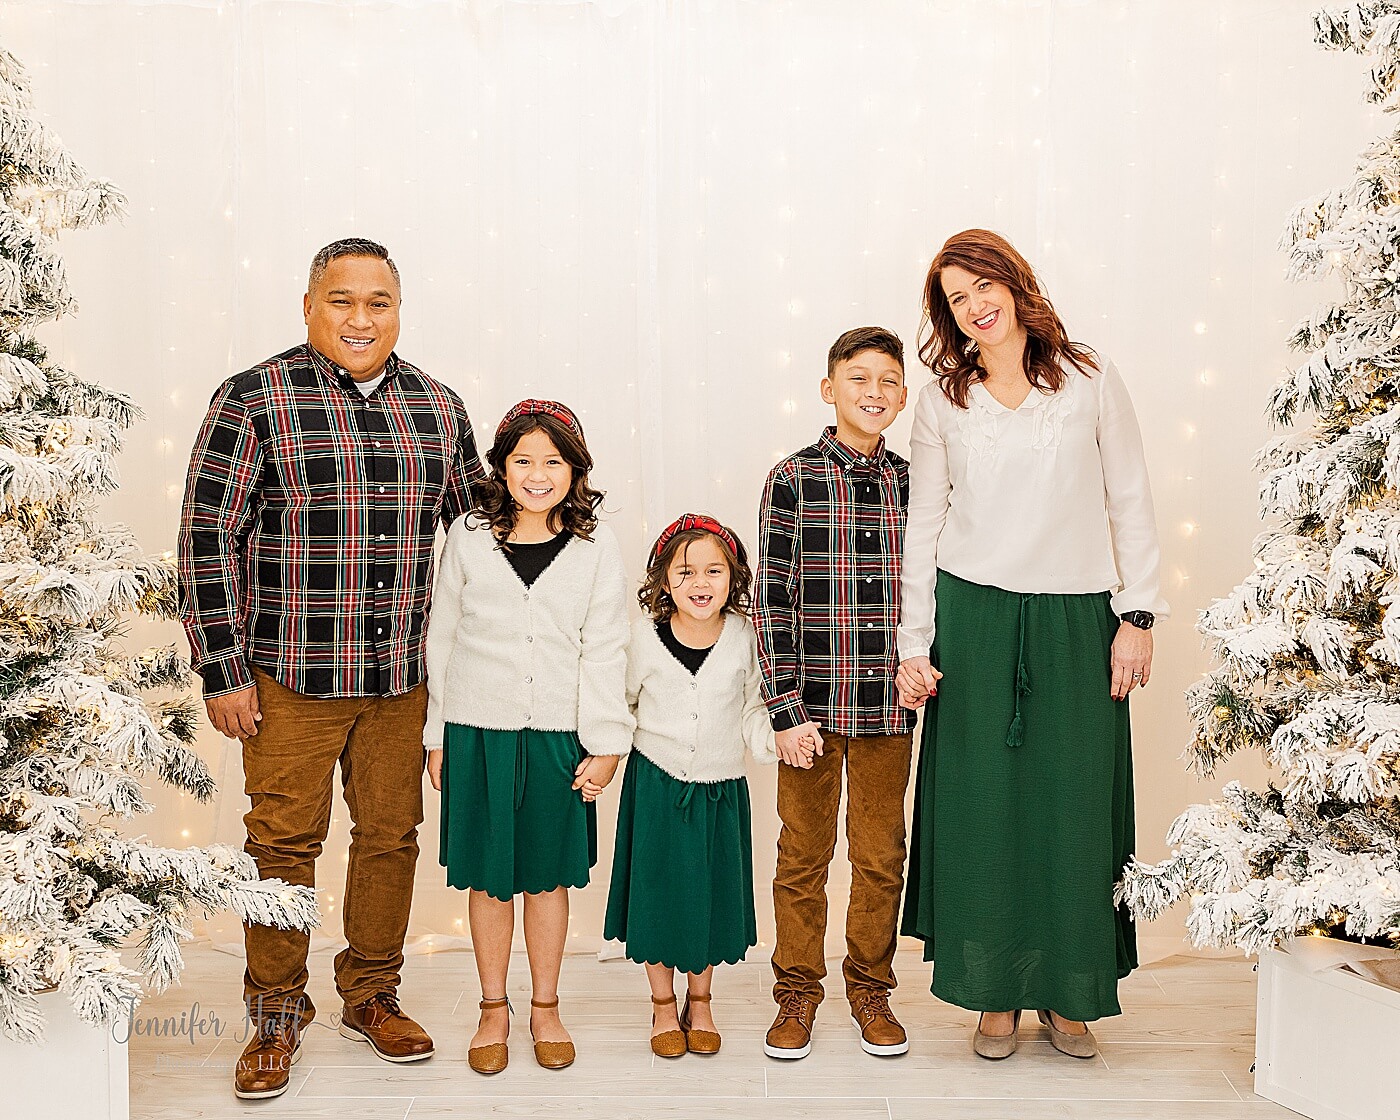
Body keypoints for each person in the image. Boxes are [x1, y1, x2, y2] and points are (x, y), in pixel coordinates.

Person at [178, 237, 486, 1100]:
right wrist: (222, 668)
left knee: (391, 839)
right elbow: (208, 540)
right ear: (309, 305)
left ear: (398, 308)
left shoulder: (437, 405)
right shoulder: (254, 399)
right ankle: (276, 1012)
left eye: (378, 301)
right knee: (282, 845)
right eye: (343, 300)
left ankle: (372, 993)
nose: (361, 318)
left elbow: (479, 543)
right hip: (287, 679)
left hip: (400, 681)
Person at [896, 228, 1167, 1060]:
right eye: (955, 298)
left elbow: (1131, 496)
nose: (974, 306)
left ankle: (1069, 990)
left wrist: (1138, 615)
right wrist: (914, 641)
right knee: (982, 811)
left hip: (1076, 619)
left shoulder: (1088, 377)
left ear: (1014, 283)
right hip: (972, 620)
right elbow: (925, 523)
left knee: (1073, 809)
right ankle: (993, 995)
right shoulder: (944, 398)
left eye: (983, 286)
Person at [424, 399, 632, 1075]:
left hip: (557, 738)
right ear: (502, 467)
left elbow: (606, 648)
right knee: (488, 881)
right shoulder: (468, 535)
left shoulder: (596, 549)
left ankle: (545, 1005)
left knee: (546, 880)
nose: (538, 475)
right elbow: (442, 636)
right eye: (523, 461)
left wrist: (605, 744)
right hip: (477, 731)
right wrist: (436, 734)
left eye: (554, 462)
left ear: (575, 470)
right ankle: (493, 1007)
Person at [754, 326, 915, 1061]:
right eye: (858, 379)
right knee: (803, 855)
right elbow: (773, 601)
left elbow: (931, 594)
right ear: (830, 389)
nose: (873, 392)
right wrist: (784, 710)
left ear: (903, 396)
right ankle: (796, 989)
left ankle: (870, 986)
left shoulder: (916, 483)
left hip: (889, 708)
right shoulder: (792, 478)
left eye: (887, 380)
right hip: (810, 714)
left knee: (881, 853)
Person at [604, 514, 777, 1058]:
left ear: (733, 578)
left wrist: (776, 741)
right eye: (685, 573)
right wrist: (600, 754)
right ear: (663, 581)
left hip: (720, 790)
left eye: (713, 571)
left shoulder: (747, 638)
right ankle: (661, 1003)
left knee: (708, 894)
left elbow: (754, 705)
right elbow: (621, 706)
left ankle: (699, 998)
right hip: (655, 786)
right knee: (656, 895)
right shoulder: (642, 640)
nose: (700, 584)